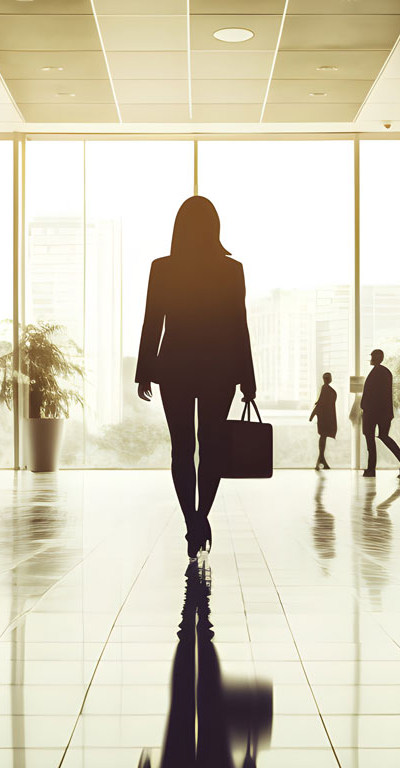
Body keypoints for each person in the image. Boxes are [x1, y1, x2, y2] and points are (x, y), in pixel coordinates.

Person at [136, 196, 257, 560]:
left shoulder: (163, 268)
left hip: (174, 366)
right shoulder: (230, 270)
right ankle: (202, 515)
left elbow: (152, 320)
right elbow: (240, 324)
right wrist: (247, 377)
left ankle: (191, 520)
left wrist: (144, 370)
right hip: (220, 368)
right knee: (212, 446)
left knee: (182, 449)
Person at [361, 349, 400, 478]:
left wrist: (365, 408)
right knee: (383, 436)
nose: (370, 358)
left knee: (370, 440)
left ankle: (371, 469)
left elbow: (373, 394)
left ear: (377, 358)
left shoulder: (377, 372)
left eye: (372, 356)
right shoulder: (385, 372)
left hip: (373, 412)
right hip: (383, 412)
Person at [308, 372, 337, 470]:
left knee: (323, 437)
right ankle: (321, 460)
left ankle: (321, 460)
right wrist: (312, 415)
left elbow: (320, 403)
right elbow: (320, 403)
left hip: (326, 417)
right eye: (326, 378)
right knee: (323, 436)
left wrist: (313, 414)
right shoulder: (325, 389)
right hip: (325, 417)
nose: (327, 379)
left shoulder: (326, 389)